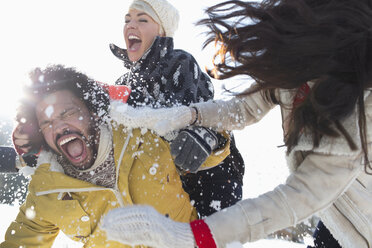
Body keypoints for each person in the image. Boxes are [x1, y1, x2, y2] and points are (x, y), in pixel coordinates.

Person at [100, 0, 372, 247]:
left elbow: (295, 198)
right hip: (338, 217)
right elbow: (243, 109)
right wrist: (192, 114)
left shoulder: (360, 113)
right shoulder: (296, 73)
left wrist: (194, 236)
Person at [1, 64, 230, 247]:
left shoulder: (144, 134)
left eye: (68, 112)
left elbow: (215, 149)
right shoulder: (46, 189)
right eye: (47, 122)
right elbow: (20, 242)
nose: (59, 126)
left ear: (92, 112)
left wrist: (207, 135)